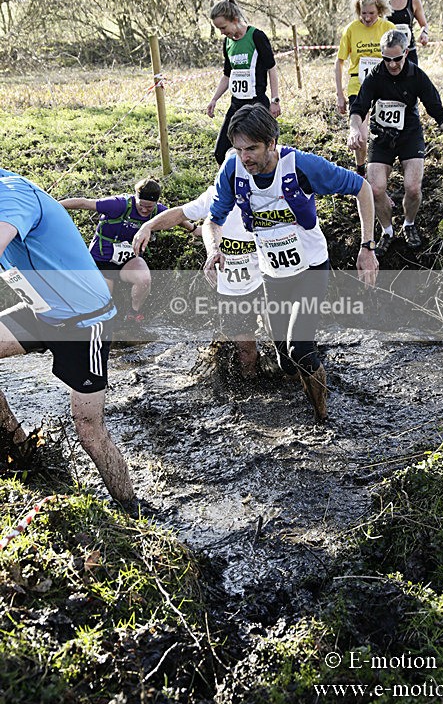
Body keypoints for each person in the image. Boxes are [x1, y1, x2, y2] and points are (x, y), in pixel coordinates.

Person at [203, 104, 378, 422]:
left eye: (252, 149)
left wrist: (367, 247)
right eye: (239, 149)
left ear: (271, 143)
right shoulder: (233, 170)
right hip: (273, 274)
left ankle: (322, 420)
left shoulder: (301, 166)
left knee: (300, 348)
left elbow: (361, 188)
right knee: (286, 360)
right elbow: (212, 220)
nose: (245, 157)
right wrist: (213, 249)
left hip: (311, 268)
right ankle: (311, 379)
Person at [0, 168, 136, 509]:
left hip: (85, 323)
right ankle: (25, 453)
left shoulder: (12, 195)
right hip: (40, 311)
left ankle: (132, 508)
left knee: (89, 430)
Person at [348, 29, 443, 257]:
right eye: (387, 59)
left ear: (406, 52)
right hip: (381, 136)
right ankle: (387, 231)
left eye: (397, 58)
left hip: (409, 135)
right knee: (376, 188)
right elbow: (358, 108)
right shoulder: (375, 76)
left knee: (413, 188)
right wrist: (355, 129)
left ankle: (409, 224)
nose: (392, 64)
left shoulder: (417, 76)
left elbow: (438, 111)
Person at [132, 180, 263, 378]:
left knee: (285, 343)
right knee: (246, 351)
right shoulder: (215, 194)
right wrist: (148, 226)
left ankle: (289, 376)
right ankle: (250, 384)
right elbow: (180, 213)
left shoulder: (265, 192)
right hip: (233, 288)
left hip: (267, 279)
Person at [60, 177, 167, 324]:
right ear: (135, 198)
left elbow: (177, 216)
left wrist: (193, 229)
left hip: (128, 260)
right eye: (141, 205)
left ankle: (133, 314)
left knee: (144, 279)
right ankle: (103, 323)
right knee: (104, 301)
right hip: (102, 259)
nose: (144, 210)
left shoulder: (158, 211)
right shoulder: (117, 204)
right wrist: (54, 206)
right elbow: (85, 203)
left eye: (149, 207)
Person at [207, 0, 281, 165]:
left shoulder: (256, 36)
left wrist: (275, 100)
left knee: (265, 151)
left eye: (223, 27)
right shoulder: (227, 43)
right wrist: (214, 99)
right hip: (236, 104)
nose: (222, 32)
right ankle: (233, 179)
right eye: (218, 29)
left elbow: (271, 68)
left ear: (234, 20)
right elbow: (227, 75)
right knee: (220, 153)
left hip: (257, 104)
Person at [335, 0, 395, 176]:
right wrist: (339, 94)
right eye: (363, 13)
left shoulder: (388, 28)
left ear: (380, 10)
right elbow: (339, 62)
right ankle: (361, 170)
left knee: (385, 134)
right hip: (358, 85)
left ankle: (381, 172)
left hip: (384, 86)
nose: (367, 18)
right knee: (360, 134)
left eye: (371, 13)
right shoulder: (351, 29)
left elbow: (400, 59)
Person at [389, 0, 429, 65]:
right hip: (389, 56)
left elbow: (424, 25)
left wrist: (424, 34)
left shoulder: (414, 1)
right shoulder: (383, 1)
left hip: (409, 53)